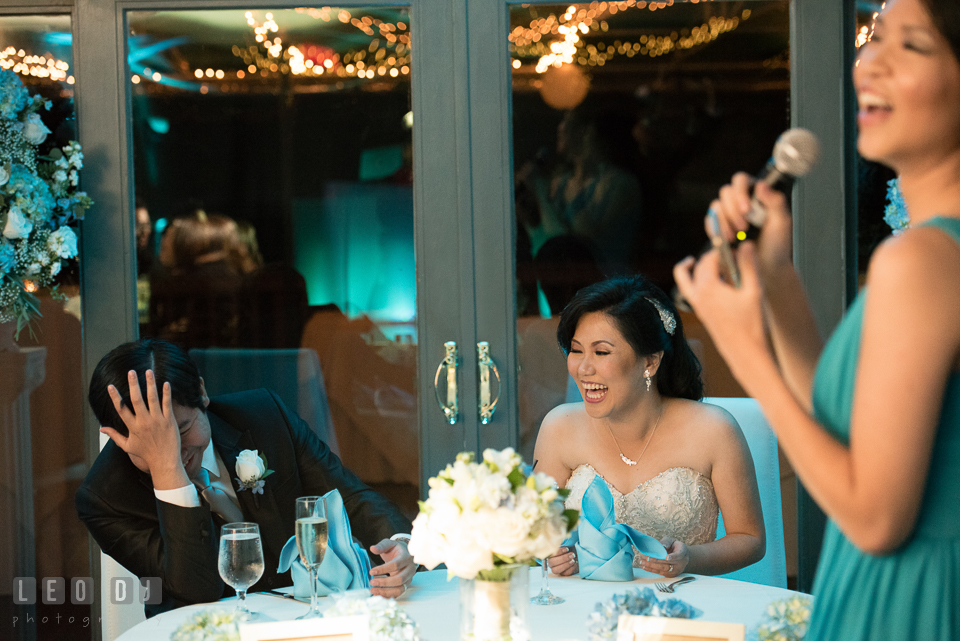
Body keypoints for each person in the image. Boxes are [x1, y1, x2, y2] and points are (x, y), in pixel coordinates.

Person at [673, 0, 960, 637]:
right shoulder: (932, 250)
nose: (868, 64)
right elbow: (851, 422)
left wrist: (742, 346)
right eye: (874, 39)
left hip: (909, 595)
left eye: (909, 46)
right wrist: (775, 278)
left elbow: (876, 519)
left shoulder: (923, 259)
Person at [75, 339, 415, 617]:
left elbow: (350, 497)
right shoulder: (104, 500)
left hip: (308, 615)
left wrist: (400, 543)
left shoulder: (265, 417)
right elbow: (196, 590)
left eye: (182, 431)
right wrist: (168, 473)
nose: (176, 452)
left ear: (202, 394)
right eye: (152, 447)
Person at [534, 276, 765, 578]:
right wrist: (552, 555)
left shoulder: (714, 430)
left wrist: (689, 558)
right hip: (581, 607)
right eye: (576, 350)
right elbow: (538, 534)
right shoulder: (558, 428)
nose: (583, 368)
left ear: (650, 362)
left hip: (680, 606)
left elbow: (750, 539)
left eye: (601, 352)